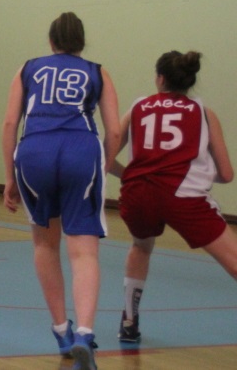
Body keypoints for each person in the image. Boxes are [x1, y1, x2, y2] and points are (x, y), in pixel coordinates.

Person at [1, 12, 119, 370]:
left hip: (34, 150)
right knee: (83, 252)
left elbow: (10, 123)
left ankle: (61, 331)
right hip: (80, 150)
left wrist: (9, 177)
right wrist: (102, 166)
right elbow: (114, 131)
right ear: (82, 42)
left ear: (51, 41)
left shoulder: (28, 69)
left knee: (44, 244)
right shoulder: (97, 71)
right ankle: (84, 333)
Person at [109, 50, 237, 344]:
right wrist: (201, 172)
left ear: (160, 79)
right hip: (183, 195)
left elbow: (105, 157)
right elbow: (227, 174)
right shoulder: (204, 113)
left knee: (141, 246)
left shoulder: (138, 107)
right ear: (189, 81)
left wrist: (129, 174)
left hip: (138, 193)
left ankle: (129, 321)